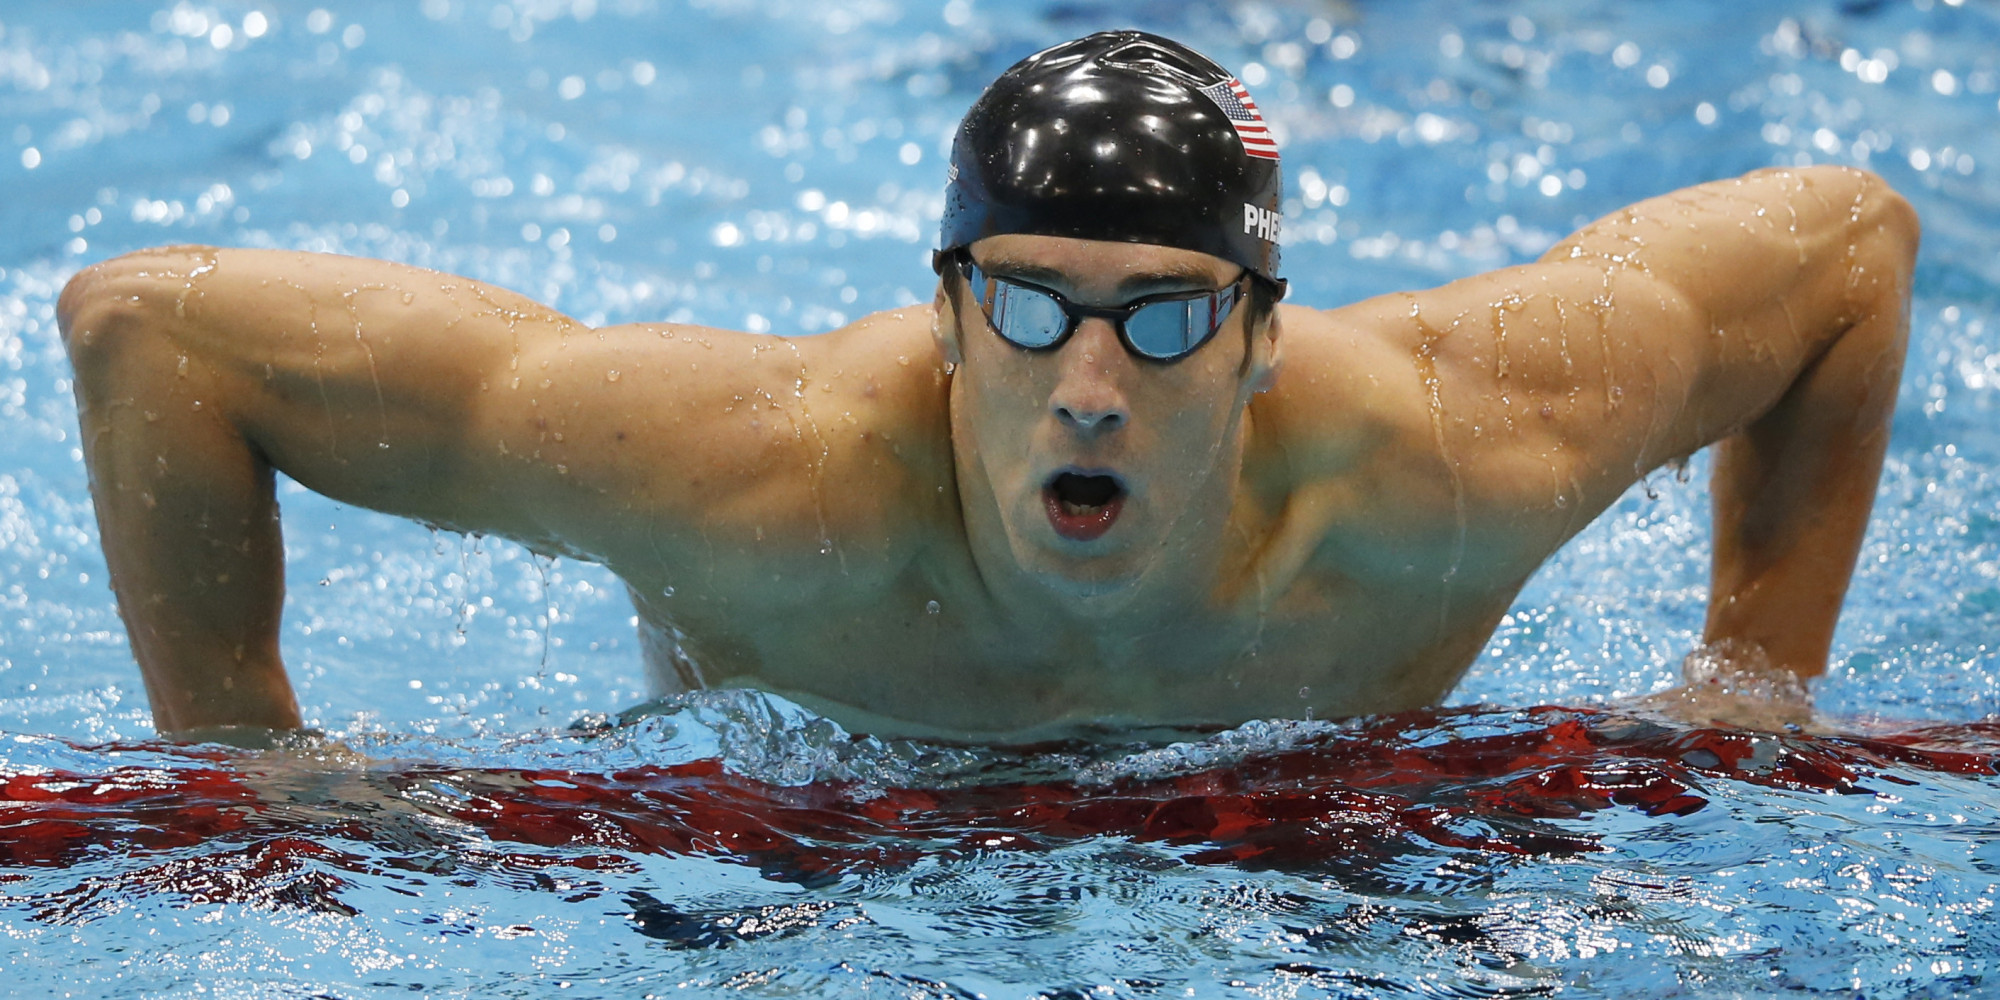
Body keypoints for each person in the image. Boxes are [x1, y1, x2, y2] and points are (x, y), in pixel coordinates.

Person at [57, 31, 1917, 742]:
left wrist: (1756, 675)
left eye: (1167, 318)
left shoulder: (1456, 454)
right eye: (1029, 311)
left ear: (1265, 336)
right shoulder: (745, 477)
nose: (1091, 385)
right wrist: (248, 764)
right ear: (944, 317)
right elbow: (153, 328)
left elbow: (1848, 245)